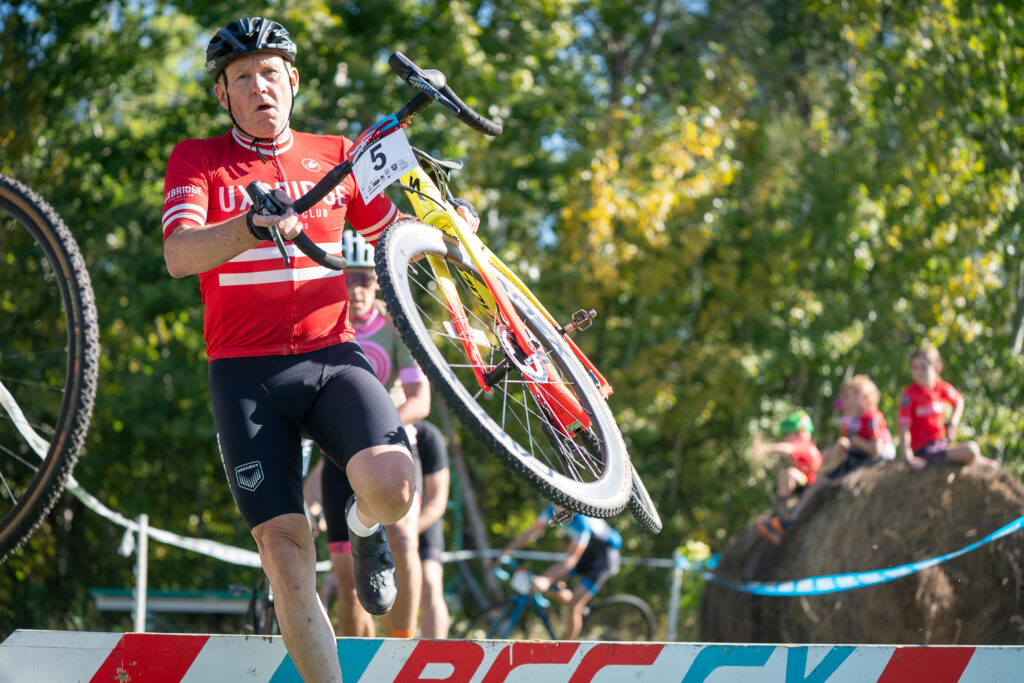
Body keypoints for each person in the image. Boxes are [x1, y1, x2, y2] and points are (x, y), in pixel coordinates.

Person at [160, 18, 460, 680]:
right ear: (223, 94)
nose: (258, 87)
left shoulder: (338, 153)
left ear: (293, 81)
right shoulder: (198, 159)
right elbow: (179, 254)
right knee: (285, 551)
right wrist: (249, 224)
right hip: (245, 375)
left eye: (270, 72)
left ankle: (363, 521)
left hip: (331, 358)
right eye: (242, 77)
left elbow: (394, 236)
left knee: (394, 489)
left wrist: (448, 229)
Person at [303, 230, 450, 639]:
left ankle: (400, 651)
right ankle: (356, 663)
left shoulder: (396, 327)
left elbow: (420, 401)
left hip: (390, 446)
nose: (356, 289)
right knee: (349, 584)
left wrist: (369, 431)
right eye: (347, 278)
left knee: (402, 540)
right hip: (338, 459)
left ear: (377, 283)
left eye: (365, 279)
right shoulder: (324, 329)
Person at [758, 376, 893, 546]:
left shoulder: (872, 417)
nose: (848, 401)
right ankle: (789, 519)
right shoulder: (854, 420)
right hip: (853, 458)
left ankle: (788, 517)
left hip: (867, 461)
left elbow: (876, 449)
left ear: (865, 397)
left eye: (853, 396)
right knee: (825, 466)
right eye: (847, 397)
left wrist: (851, 440)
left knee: (826, 466)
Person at [497, 503, 622, 640]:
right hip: (585, 553)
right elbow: (533, 533)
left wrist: (547, 580)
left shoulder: (581, 521)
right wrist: (505, 552)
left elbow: (572, 559)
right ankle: (572, 601)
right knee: (544, 583)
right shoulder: (551, 511)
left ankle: (568, 648)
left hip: (604, 557)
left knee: (572, 605)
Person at [899, 347, 989, 470]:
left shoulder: (941, 388)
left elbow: (959, 401)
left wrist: (953, 424)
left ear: (937, 368)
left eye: (924, 367)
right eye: (915, 368)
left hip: (941, 445)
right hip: (925, 451)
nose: (919, 372)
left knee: (990, 464)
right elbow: (904, 427)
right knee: (971, 450)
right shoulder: (909, 395)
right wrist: (907, 457)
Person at [751, 410, 822, 518]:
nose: (785, 438)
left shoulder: (804, 445)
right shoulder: (809, 447)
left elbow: (788, 449)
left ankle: (781, 507)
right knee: (786, 472)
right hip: (806, 482)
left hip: (810, 485)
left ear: (799, 433)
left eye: (788, 434)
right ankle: (781, 507)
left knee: (787, 473)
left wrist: (765, 448)